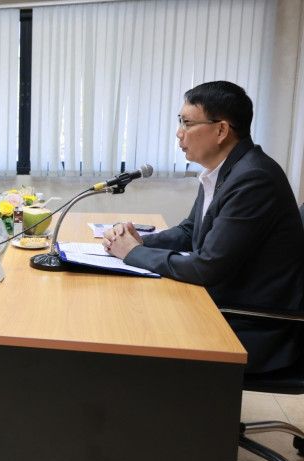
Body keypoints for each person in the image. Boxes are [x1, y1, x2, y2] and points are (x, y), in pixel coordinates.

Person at [102, 81, 304, 374]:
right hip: (222, 305)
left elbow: (207, 267)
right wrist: (142, 242)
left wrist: (132, 253)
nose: (179, 132)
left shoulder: (254, 179)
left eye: (187, 123)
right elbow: (189, 231)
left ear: (221, 130)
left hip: (252, 324)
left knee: (133, 329)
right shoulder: (224, 170)